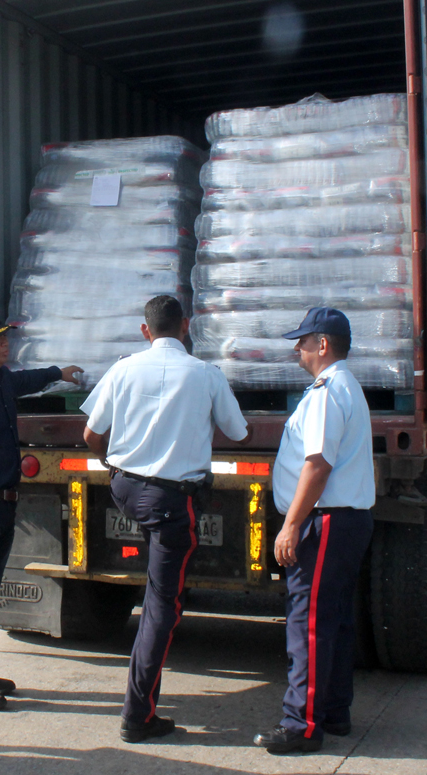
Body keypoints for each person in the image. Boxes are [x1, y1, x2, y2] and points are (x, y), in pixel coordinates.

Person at [82, 294, 248, 744]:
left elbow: (91, 434)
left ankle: (142, 705)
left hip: (125, 489)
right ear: (186, 326)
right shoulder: (205, 374)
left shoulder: (121, 369)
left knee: (155, 583)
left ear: (144, 330)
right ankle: (138, 716)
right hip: (173, 502)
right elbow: (238, 431)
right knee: (161, 607)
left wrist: (115, 467)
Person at [252, 307, 375, 755]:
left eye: (303, 341)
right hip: (346, 520)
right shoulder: (345, 386)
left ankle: (301, 724)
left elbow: (317, 464)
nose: (297, 349)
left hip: (326, 522)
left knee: (308, 625)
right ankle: (334, 712)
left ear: (323, 345)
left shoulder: (327, 392)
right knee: (336, 621)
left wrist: (291, 524)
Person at [0, 310, 81, 710]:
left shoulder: (2, 380)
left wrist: (61, 371)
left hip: (6, 506)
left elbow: (28, 379)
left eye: (7, 336)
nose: (6, 344)